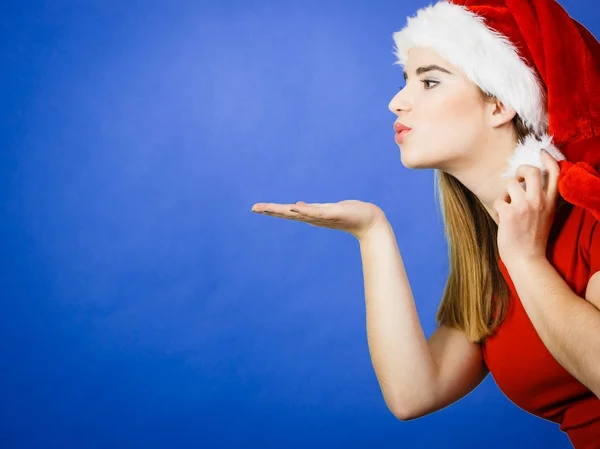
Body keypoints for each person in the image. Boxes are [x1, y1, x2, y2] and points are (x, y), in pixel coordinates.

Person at [251, 0, 600, 446]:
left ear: (499, 104)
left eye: (430, 81)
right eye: (406, 81)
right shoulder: (492, 252)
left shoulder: (589, 218)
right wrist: (371, 232)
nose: (397, 101)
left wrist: (525, 260)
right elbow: (414, 392)